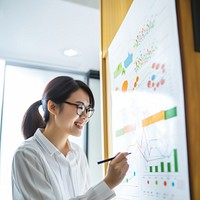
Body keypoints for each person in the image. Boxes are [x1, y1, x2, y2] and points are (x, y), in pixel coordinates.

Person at [11, 76, 129, 200]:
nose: (85, 116)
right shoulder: (27, 154)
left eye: (87, 109)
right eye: (80, 107)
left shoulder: (77, 153)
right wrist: (108, 183)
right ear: (52, 107)